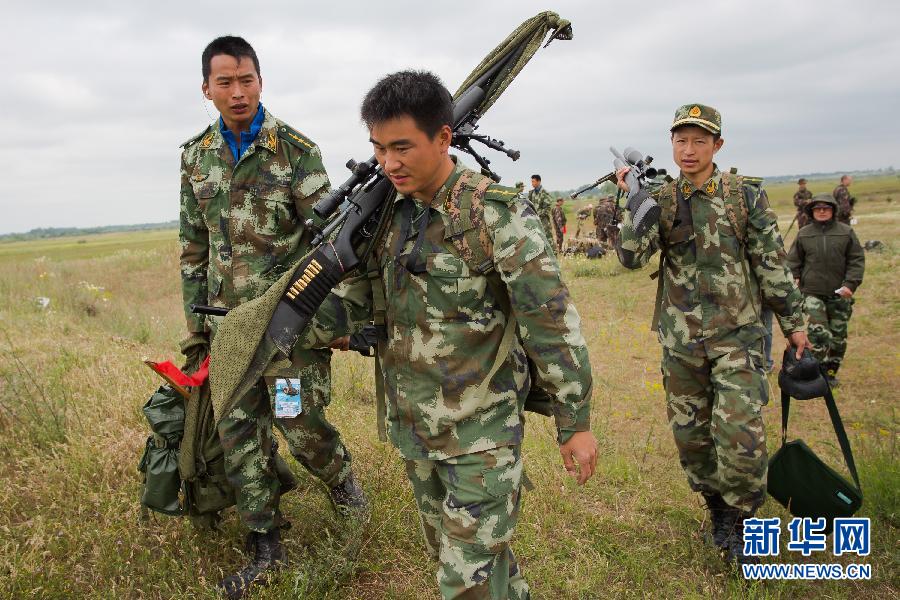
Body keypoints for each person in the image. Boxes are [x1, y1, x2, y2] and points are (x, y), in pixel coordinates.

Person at [301, 71, 597, 599]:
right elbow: (366, 302)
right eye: (378, 148)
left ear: (443, 138)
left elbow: (551, 323)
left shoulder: (494, 215)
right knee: (466, 559)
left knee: (465, 584)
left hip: (481, 434)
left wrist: (574, 423)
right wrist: (293, 323)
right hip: (415, 429)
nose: (389, 163)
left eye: (402, 147)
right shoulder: (386, 215)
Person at [178, 35, 366, 599]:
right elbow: (193, 247)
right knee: (239, 436)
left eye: (247, 80)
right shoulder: (194, 156)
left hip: (286, 328)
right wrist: (196, 333)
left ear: (261, 81)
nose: (238, 92)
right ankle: (264, 540)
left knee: (298, 423)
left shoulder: (295, 151)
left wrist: (336, 322)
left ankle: (343, 486)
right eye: (225, 82)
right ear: (206, 89)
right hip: (227, 331)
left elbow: (333, 241)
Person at [615, 103, 810, 565]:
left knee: (740, 433)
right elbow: (630, 258)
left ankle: (745, 525)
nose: (688, 149)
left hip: (738, 337)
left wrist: (795, 324)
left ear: (717, 145)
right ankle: (718, 511)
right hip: (681, 341)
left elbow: (772, 265)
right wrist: (634, 202)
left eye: (699, 140)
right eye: (680, 140)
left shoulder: (745, 196)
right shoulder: (660, 199)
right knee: (692, 437)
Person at [786, 195, 865, 387]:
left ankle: (831, 373)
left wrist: (850, 285)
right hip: (812, 292)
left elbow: (856, 260)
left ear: (833, 210)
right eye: (817, 208)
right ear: (811, 212)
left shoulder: (846, 232)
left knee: (838, 337)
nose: (822, 211)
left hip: (840, 293)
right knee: (819, 334)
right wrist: (794, 278)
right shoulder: (804, 233)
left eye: (826, 208)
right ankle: (816, 372)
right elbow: (793, 261)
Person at [528, 173, 556, 246]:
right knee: (538, 238)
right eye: (531, 182)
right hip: (535, 220)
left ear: (539, 181)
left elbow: (548, 207)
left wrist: (539, 214)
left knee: (548, 238)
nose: (532, 183)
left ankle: (554, 255)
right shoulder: (532, 193)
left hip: (544, 220)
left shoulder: (544, 193)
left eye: (533, 181)